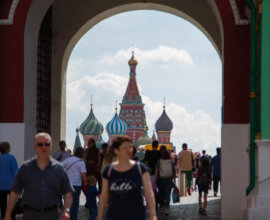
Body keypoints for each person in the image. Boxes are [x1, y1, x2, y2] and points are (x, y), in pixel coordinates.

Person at [4, 133, 73, 220]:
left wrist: (66, 211)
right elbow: (14, 193)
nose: (44, 147)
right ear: (35, 146)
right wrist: (7, 214)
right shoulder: (25, 168)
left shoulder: (59, 169)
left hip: (52, 214)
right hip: (30, 214)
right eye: (40, 144)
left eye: (47, 144)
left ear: (51, 146)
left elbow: (68, 192)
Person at [97, 136, 157, 220]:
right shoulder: (109, 171)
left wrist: (153, 215)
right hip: (114, 216)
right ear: (116, 151)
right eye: (125, 147)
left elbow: (149, 194)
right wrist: (99, 217)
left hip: (136, 216)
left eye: (130, 147)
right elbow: (104, 197)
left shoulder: (140, 168)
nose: (129, 150)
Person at [62, 147, 87, 220]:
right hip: (76, 185)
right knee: (75, 205)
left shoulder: (67, 160)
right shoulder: (81, 163)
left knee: (67, 205)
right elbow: (83, 175)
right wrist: (86, 183)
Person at [0, 142, 18, 219]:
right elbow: (15, 172)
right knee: (12, 203)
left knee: (2, 203)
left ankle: (4, 217)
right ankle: (12, 217)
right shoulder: (11, 158)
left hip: (1, 185)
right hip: (11, 184)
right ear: (8, 148)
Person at [155, 150, 175, 216]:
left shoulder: (159, 161)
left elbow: (156, 172)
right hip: (169, 180)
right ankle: (166, 209)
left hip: (161, 180)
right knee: (168, 195)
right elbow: (174, 172)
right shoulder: (171, 162)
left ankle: (162, 206)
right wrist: (174, 181)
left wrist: (155, 180)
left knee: (161, 194)